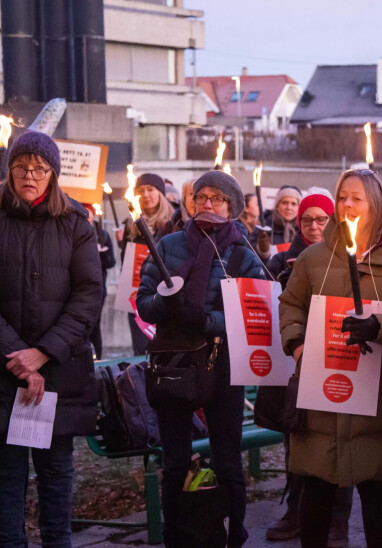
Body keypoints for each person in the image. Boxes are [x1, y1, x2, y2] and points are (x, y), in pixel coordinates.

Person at [0, 131, 103, 547]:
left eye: (39, 168)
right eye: (21, 167)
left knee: (55, 472)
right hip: (0, 372)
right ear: (9, 172)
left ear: (53, 173)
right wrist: (16, 357)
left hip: (58, 369)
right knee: (4, 472)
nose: (29, 175)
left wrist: (44, 353)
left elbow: (89, 295)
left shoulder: (74, 222)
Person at [279, 168, 382, 548]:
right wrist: (296, 344)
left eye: (355, 197)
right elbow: (291, 305)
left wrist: (379, 326)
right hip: (321, 392)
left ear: (375, 205)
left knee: (375, 489)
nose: (345, 203)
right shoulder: (315, 258)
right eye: (342, 195)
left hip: (376, 392)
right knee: (317, 486)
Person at [137, 170, 263, 547]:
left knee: (227, 463)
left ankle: (232, 535)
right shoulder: (170, 243)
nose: (208, 204)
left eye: (218, 199)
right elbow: (143, 302)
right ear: (191, 203)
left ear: (232, 208)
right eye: (201, 197)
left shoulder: (242, 252)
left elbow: (254, 310)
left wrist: (207, 321)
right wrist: (166, 304)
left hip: (222, 365)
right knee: (175, 463)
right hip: (174, 364)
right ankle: (175, 536)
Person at [264, 192, 355, 547]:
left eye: (321, 219)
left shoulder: (344, 255)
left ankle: (338, 519)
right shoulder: (282, 259)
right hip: (296, 361)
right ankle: (296, 509)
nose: (314, 226)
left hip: (337, 359)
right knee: (297, 436)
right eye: (307, 220)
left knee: (339, 436)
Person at [117, 172, 174, 355]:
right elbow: (125, 260)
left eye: (151, 189)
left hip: (163, 294)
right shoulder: (130, 225)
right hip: (137, 294)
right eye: (141, 191)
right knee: (141, 350)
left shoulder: (172, 223)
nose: (146, 194)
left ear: (161, 194)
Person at [85, 205, 116, 359]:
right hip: (79, 286)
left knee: (94, 325)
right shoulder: (73, 231)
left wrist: (100, 254)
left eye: (88, 213)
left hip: (98, 287)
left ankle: (97, 357)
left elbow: (111, 262)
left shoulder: (102, 234)